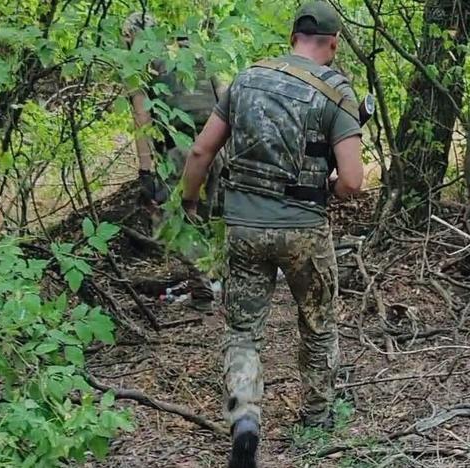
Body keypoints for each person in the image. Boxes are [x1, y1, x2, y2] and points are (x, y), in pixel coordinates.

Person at [180, 2, 363, 466]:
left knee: (243, 330)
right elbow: (353, 181)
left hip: (243, 227)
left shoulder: (245, 79)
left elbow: (201, 151)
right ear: (334, 43)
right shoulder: (337, 93)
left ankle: (244, 416)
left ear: (292, 37)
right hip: (303, 230)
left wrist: (190, 201)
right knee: (318, 325)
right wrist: (327, 187)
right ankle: (318, 418)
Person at [120, 12, 223, 226]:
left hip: (181, 152)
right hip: (216, 146)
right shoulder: (193, 53)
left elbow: (142, 115)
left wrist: (145, 172)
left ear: (128, 35)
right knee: (209, 225)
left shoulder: (137, 65)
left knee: (176, 230)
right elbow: (223, 96)